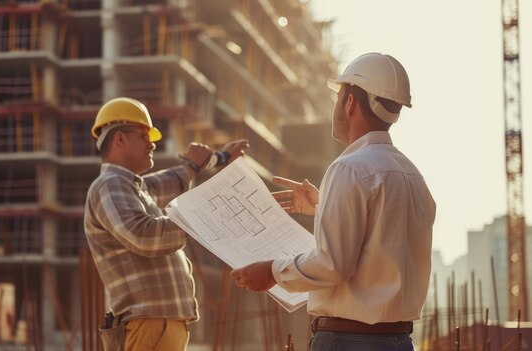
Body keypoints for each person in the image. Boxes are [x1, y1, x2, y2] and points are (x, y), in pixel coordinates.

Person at [230, 53, 436, 350]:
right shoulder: (413, 176)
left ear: (350, 103)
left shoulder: (349, 168)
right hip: (399, 342)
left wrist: (271, 271)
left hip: (348, 341)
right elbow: (383, 237)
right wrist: (323, 206)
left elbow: (332, 263)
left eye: (338, 98)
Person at [84, 97, 249, 351]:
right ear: (119, 138)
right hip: (149, 322)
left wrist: (220, 157)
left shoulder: (134, 188)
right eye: (143, 135)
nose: (152, 144)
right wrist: (203, 214)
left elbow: (174, 179)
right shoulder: (109, 185)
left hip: (158, 323)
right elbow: (144, 236)